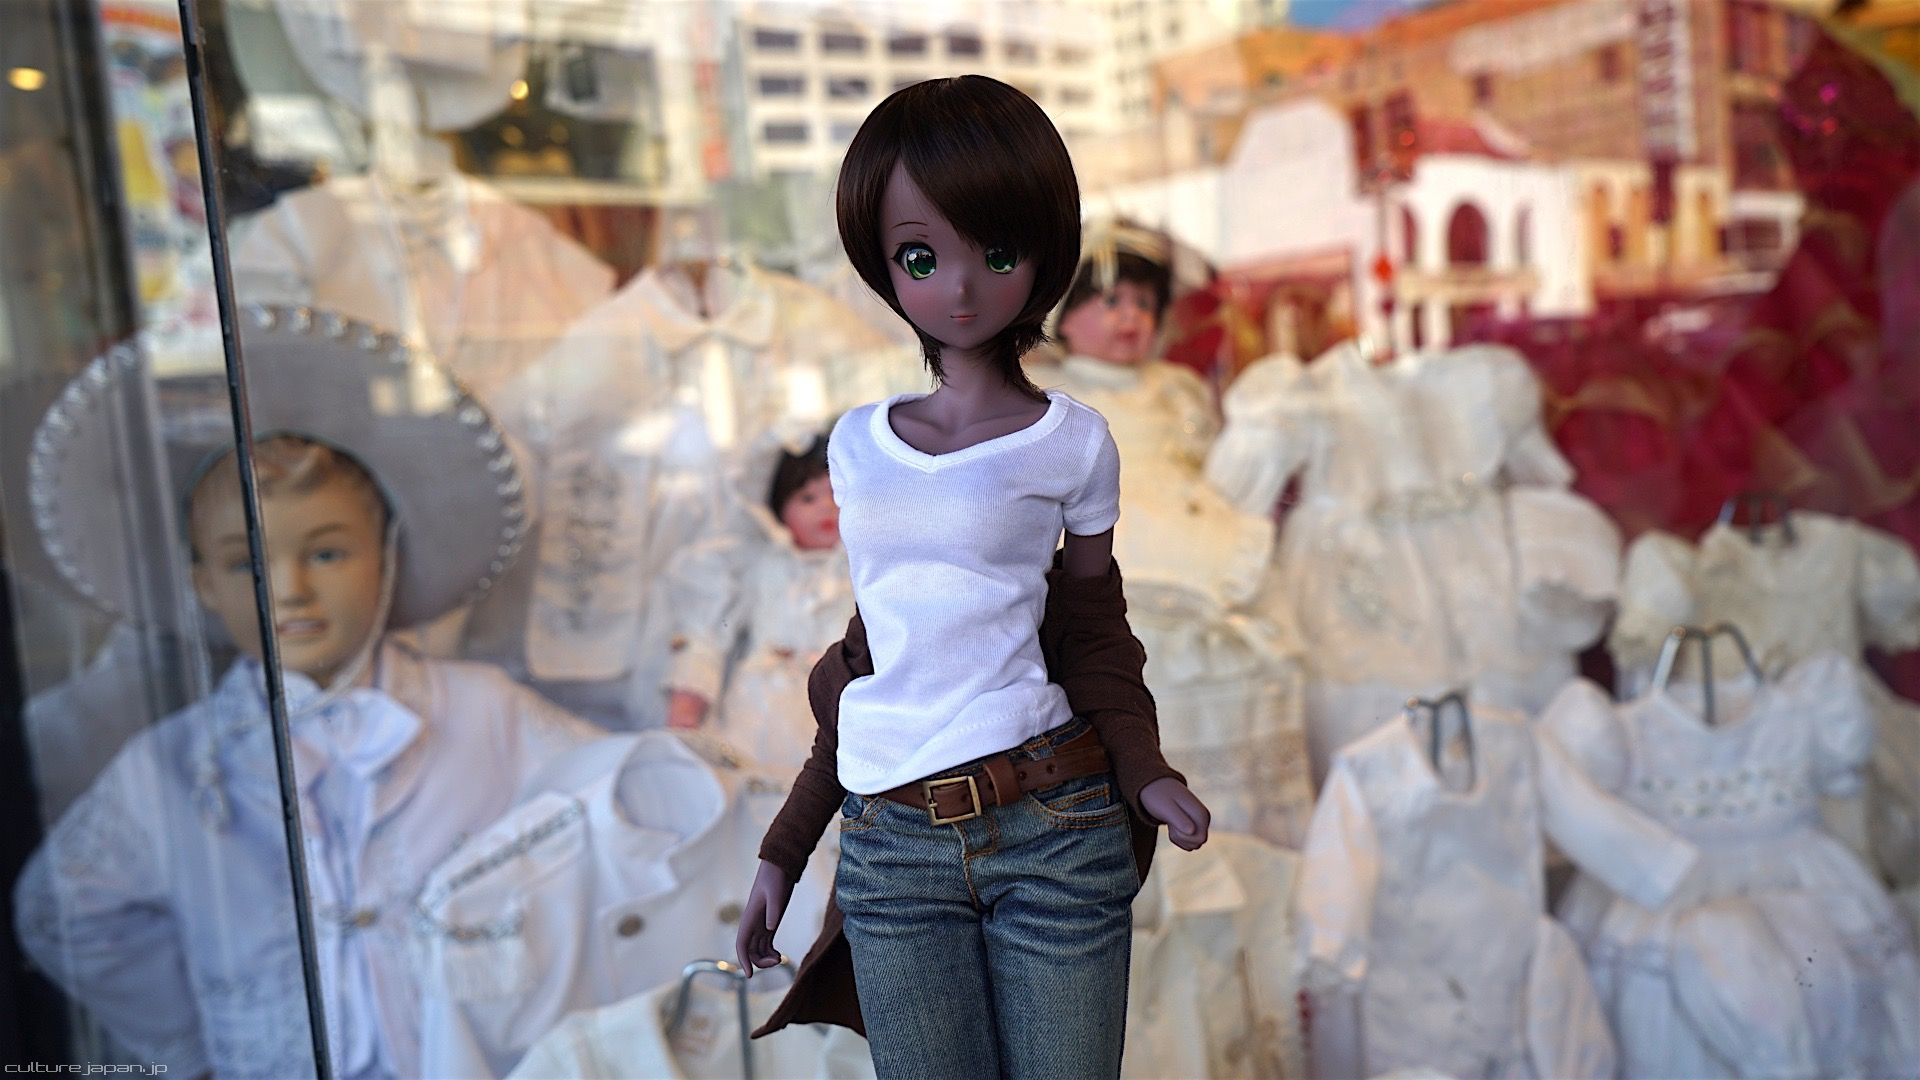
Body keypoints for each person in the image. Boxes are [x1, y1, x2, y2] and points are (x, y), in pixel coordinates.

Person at [731, 76, 1210, 1079]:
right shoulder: (858, 446)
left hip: (1052, 824)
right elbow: (877, 655)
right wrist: (785, 848)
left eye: (996, 255)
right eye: (921, 257)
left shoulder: (1072, 441)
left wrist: (1145, 768)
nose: (958, 288)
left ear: (1042, 255)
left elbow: (1094, 628)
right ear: (883, 263)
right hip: (893, 843)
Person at [14, 307, 601, 1079]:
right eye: (247, 564)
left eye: (326, 553)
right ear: (203, 584)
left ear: (386, 553)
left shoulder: (487, 714)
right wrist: (195, 1039)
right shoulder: (173, 765)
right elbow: (64, 911)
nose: (289, 590)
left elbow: (624, 829)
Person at [661, 431, 855, 774]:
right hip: (758, 707)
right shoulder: (759, 565)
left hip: (836, 708)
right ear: (778, 507)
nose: (825, 508)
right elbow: (709, 633)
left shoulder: (858, 573)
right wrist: (689, 699)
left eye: (837, 495)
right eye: (807, 498)